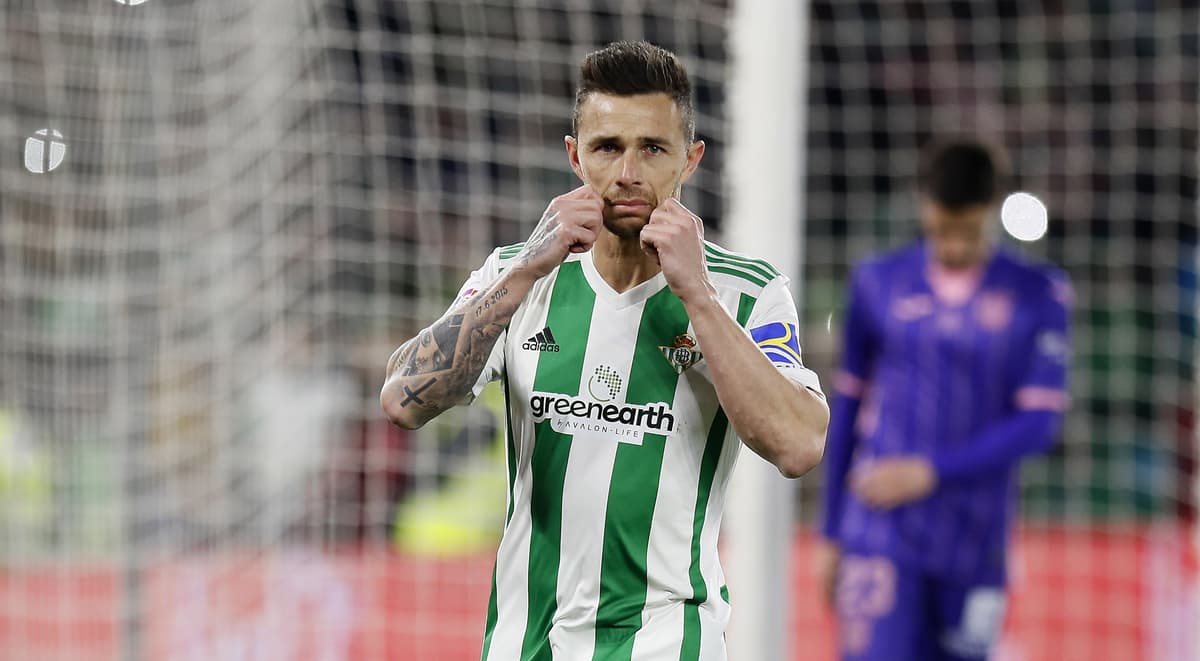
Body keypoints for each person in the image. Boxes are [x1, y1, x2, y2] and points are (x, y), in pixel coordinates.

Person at [380, 41, 828, 660]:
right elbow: (402, 400)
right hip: (525, 642)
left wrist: (697, 297)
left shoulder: (745, 294)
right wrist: (526, 268)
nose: (628, 173)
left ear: (690, 159)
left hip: (666, 643)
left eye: (653, 148)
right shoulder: (517, 276)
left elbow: (799, 445)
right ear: (575, 156)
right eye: (608, 147)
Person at [817, 137, 1072, 660]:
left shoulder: (1038, 293)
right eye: (941, 230)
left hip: (976, 540)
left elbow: (1039, 423)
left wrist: (928, 471)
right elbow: (846, 409)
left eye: (967, 232)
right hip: (882, 532)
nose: (953, 246)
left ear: (992, 208)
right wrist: (831, 531)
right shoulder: (877, 283)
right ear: (923, 205)